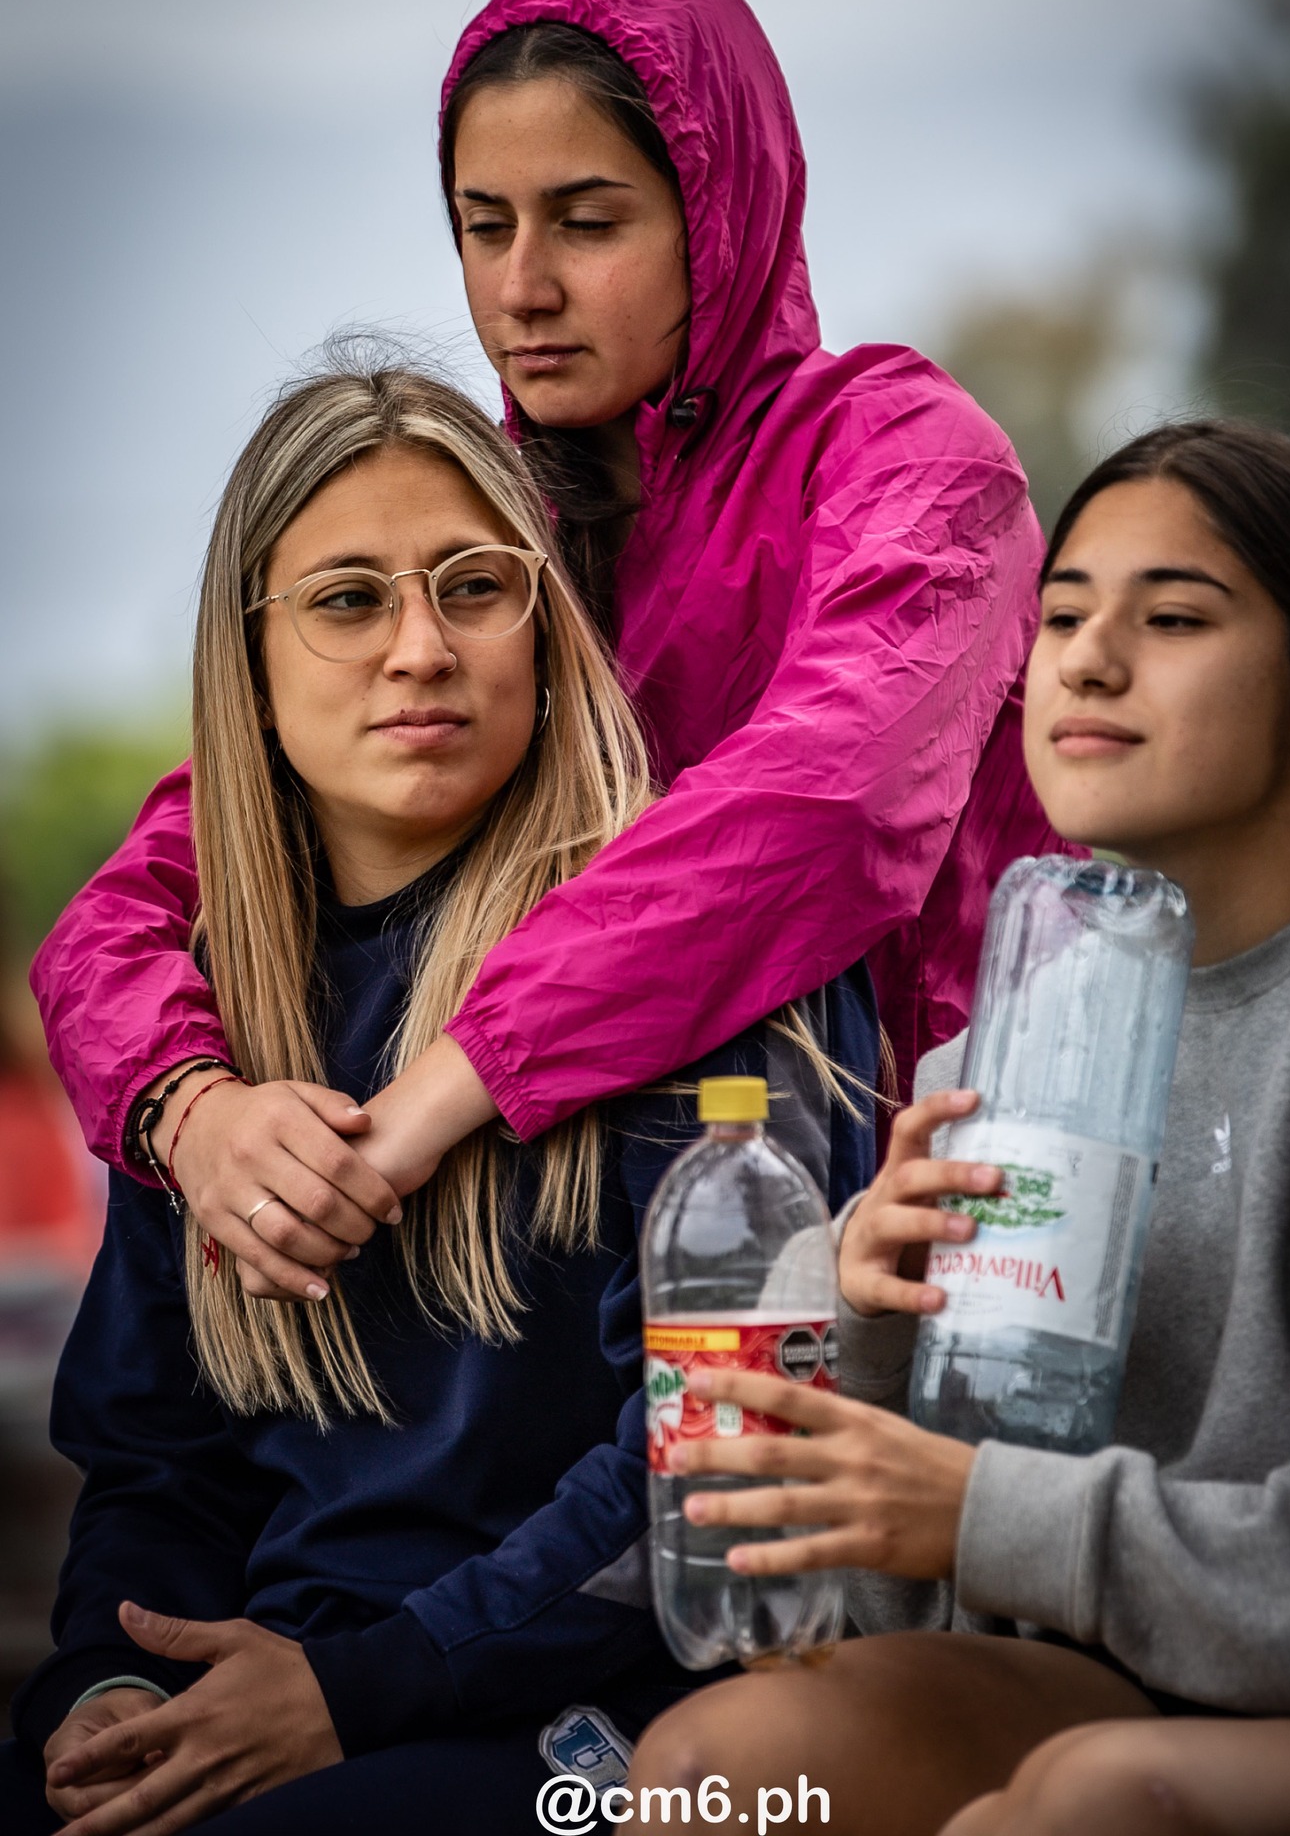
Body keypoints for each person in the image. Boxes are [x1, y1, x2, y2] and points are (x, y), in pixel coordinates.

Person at [31, 0, 1055, 1302]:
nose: (522, 289)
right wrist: (189, 1108)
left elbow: (826, 806)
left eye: (587, 220)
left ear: (715, 206)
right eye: (482, 224)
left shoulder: (912, 462)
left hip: (959, 1243)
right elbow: (143, 893)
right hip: (600, 1275)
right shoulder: (488, 539)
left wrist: (450, 1085)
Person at [0, 357, 879, 1835]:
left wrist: (361, 1688)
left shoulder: (696, 952)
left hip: (601, 1720)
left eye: (474, 587)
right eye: (349, 601)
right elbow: (155, 1465)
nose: (421, 647)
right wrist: (113, 1685)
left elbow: (714, 1460)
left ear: (544, 629)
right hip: (273, 1683)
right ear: (250, 661)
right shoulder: (197, 1033)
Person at [625, 420, 1290, 1836]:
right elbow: (793, 1567)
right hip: (1101, 1676)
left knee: (1088, 1800)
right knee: (716, 1773)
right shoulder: (1008, 1047)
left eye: (1171, 619)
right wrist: (864, 1313)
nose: (1083, 661)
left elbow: (986, 1520)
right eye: (1063, 615)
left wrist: (994, 1515)